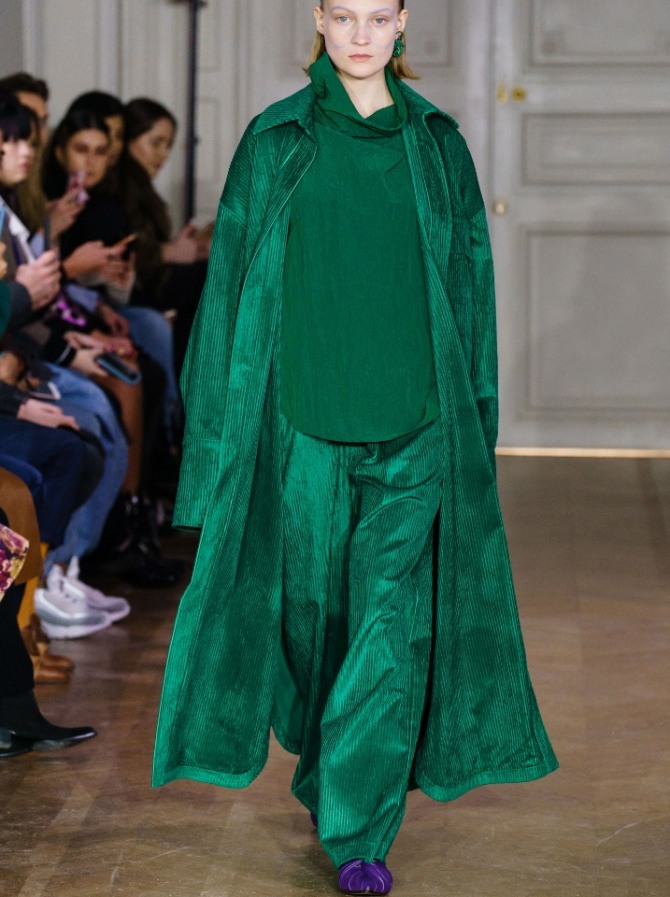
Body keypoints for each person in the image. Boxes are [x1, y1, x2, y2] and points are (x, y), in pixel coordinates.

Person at [152, 2, 558, 894]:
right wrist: (209, 459)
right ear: (319, 19)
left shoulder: (437, 145)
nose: (363, 35)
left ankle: (361, 832)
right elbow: (226, 298)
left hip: (416, 426)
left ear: (404, 21)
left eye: (379, 16)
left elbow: (472, 292)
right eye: (345, 16)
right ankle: (332, 770)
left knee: (386, 623)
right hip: (302, 426)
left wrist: (475, 430)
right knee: (314, 624)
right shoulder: (274, 141)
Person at [118, 97, 209, 374]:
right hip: (130, 287)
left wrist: (187, 249)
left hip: (147, 280)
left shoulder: (139, 186)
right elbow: (125, 247)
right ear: (129, 138)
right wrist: (171, 252)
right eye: (156, 143)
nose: (164, 154)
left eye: (168, 145)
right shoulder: (120, 183)